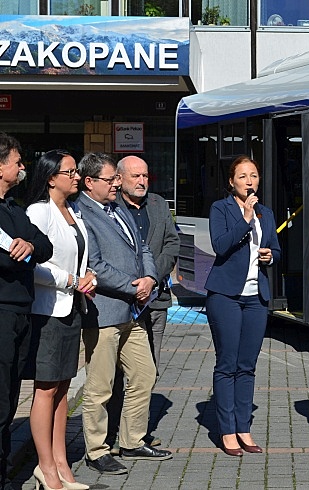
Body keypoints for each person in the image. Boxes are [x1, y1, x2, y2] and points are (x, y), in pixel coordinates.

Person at [76, 152, 172, 476]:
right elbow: (96, 266)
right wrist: (134, 287)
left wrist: (150, 278)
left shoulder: (117, 207)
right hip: (104, 313)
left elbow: (142, 248)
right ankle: (96, 450)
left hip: (131, 312)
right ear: (90, 182)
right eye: (110, 179)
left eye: (117, 179)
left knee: (144, 373)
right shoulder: (82, 213)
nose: (116, 184)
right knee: (100, 386)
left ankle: (132, 440)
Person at [25, 150, 95, 490]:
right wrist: (71, 280)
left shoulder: (73, 211)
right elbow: (33, 263)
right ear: (51, 177)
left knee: (64, 387)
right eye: (70, 172)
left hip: (73, 309)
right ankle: (45, 467)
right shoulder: (39, 211)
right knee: (47, 388)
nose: (77, 176)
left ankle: (61, 463)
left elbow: (78, 257)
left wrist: (88, 276)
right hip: (48, 311)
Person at [204, 155, 281, 457]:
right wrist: (245, 219)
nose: (250, 182)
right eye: (243, 176)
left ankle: (244, 427)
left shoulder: (266, 212)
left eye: (254, 176)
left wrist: (270, 256)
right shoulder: (220, 209)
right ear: (231, 182)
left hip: (255, 298)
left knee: (247, 366)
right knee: (228, 364)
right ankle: (227, 431)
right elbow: (220, 245)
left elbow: (276, 248)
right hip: (226, 295)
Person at [106, 155, 180, 452]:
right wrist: (134, 283)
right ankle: (112, 433)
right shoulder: (110, 207)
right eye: (135, 176)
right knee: (115, 374)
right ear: (119, 179)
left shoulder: (159, 204)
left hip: (156, 299)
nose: (141, 181)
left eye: (145, 176)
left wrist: (151, 277)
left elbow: (172, 243)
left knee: (149, 369)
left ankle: (136, 433)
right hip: (122, 301)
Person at [0, 133, 53, 490]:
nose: (22, 168)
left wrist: (29, 246)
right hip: (2, 312)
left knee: (9, 397)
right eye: (17, 162)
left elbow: (45, 245)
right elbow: (7, 260)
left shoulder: (14, 208)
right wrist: (18, 255)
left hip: (21, 312)